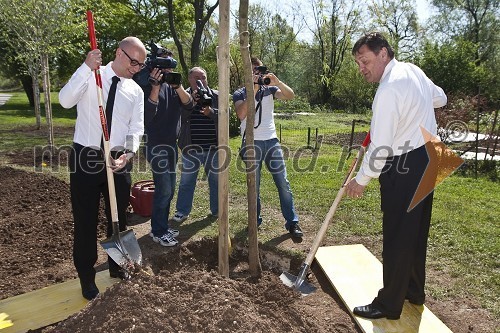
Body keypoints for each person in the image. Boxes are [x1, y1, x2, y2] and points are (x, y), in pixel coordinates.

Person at [345, 32, 447, 320]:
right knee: (415, 231)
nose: (362, 68)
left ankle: (389, 304)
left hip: (405, 162)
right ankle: (413, 291)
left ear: (383, 54)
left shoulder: (388, 89)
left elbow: (381, 145)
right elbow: (440, 97)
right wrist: (418, 104)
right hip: (430, 155)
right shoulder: (413, 71)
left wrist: (361, 180)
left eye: (364, 61)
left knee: (398, 233)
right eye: (358, 63)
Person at [59, 36, 147, 300]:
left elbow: (136, 128)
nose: (136, 68)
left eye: (141, 65)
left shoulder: (136, 91)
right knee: (85, 222)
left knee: (117, 219)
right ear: (119, 54)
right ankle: (86, 277)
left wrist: (128, 155)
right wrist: (86, 67)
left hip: (118, 159)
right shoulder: (92, 75)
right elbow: (65, 100)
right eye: (133, 61)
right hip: (86, 156)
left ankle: (117, 266)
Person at [233, 57, 303, 238]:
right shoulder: (240, 93)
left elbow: (290, 95)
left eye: (259, 70)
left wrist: (277, 82)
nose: (257, 73)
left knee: (283, 184)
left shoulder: (270, 90)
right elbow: (241, 115)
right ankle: (254, 222)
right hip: (252, 143)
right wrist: (253, 89)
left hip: (272, 141)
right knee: (253, 186)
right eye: (253, 70)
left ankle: (292, 223)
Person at [140, 48, 193, 247]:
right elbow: (146, 116)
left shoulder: (173, 85)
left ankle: (161, 225)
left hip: (171, 145)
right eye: (162, 63)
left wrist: (178, 86)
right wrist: (155, 86)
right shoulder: (145, 84)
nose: (166, 68)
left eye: (169, 63)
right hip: (156, 145)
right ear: (153, 65)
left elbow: (188, 105)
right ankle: (158, 231)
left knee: (169, 190)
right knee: (164, 189)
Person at [173, 67, 219, 222]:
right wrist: (191, 102)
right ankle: (182, 211)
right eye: (196, 77)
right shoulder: (181, 95)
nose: (200, 80)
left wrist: (211, 113)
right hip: (190, 148)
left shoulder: (216, 96)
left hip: (213, 148)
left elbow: (226, 116)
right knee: (187, 182)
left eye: (203, 77)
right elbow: (179, 117)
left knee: (215, 181)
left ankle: (217, 210)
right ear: (189, 79)